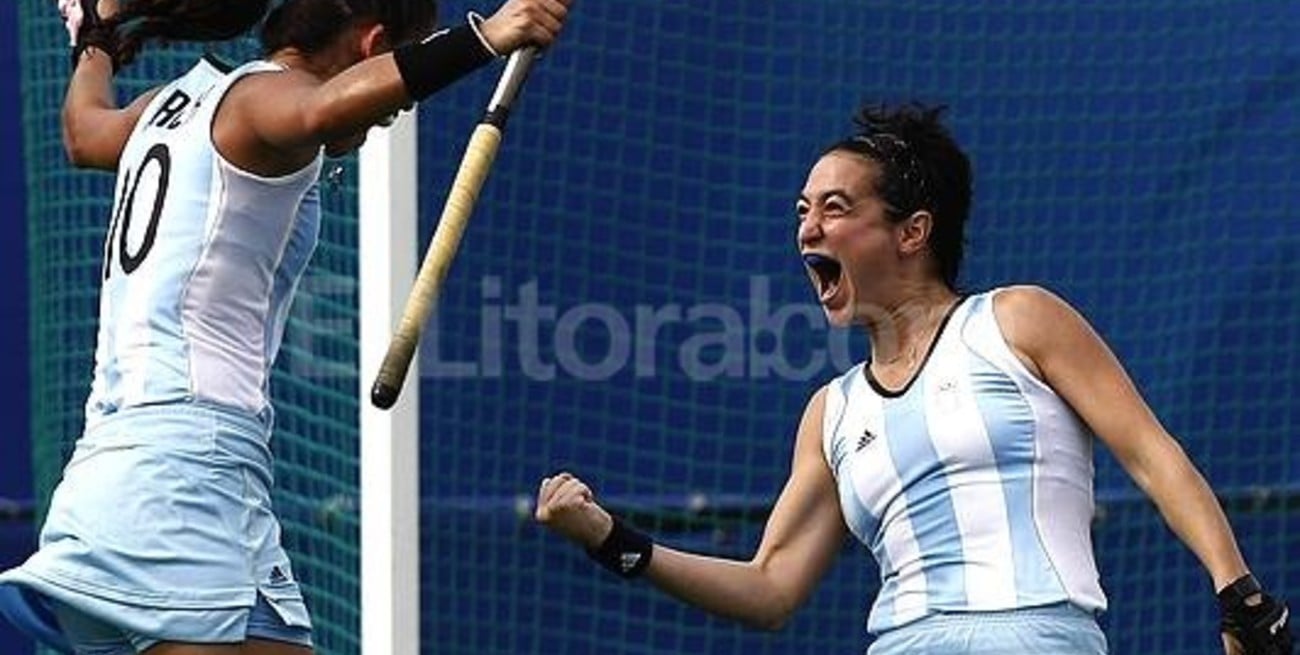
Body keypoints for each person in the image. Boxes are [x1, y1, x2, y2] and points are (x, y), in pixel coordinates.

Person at [535, 102, 1294, 655]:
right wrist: (613, 540)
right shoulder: (830, 413)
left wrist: (1239, 593)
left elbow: (1151, 454)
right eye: (802, 210)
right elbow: (769, 585)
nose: (808, 228)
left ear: (912, 230)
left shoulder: (1020, 320)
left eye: (836, 208)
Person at [0, 0, 573, 652]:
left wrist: (95, 36)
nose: (394, 111)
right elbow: (320, 109)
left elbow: (86, 131)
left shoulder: (174, 105)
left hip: (141, 472)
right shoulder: (262, 98)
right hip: (180, 475)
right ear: (372, 43)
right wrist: (487, 36)